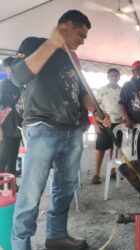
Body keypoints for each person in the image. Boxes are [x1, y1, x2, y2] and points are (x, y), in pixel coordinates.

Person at [9, 10, 111, 250]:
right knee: (31, 194)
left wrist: (96, 111)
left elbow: (82, 92)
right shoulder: (34, 43)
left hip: (74, 129)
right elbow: (18, 77)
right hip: (43, 127)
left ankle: (56, 236)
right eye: (81, 34)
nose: (83, 40)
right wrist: (52, 44)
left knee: (65, 188)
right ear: (66, 26)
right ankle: (20, 244)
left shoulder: (72, 57)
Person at [92, 68, 123, 184]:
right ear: (108, 77)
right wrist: (95, 123)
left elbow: (124, 106)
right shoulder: (101, 90)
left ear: (119, 77)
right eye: (112, 76)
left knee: (114, 148)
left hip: (119, 123)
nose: (114, 77)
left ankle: (113, 171)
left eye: (116, 75)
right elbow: (94, 108)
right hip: (104, 123)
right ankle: (96, 174)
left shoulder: (123, 90)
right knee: (100, 148)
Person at [0, 57, 22, 178]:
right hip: (6, 125)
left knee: (13, 156)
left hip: (17, 124)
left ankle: (11, 184)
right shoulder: (3, 84)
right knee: (2, 157)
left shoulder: (18, 84)